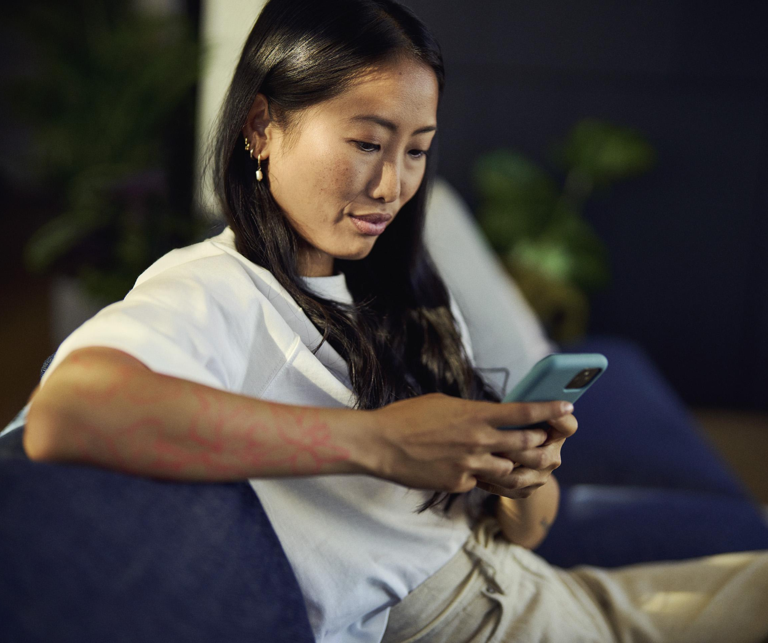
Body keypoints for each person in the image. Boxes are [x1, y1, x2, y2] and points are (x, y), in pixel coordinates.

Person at [22, 0, 768, 641]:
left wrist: (520, 471)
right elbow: (70, 412)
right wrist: (378, 442)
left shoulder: (397, 291)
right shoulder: (216, 287)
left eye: (417, 150)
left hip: (536, 584)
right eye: (366, 143)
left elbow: (530, 526)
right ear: (261, 125)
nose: (391, 185)